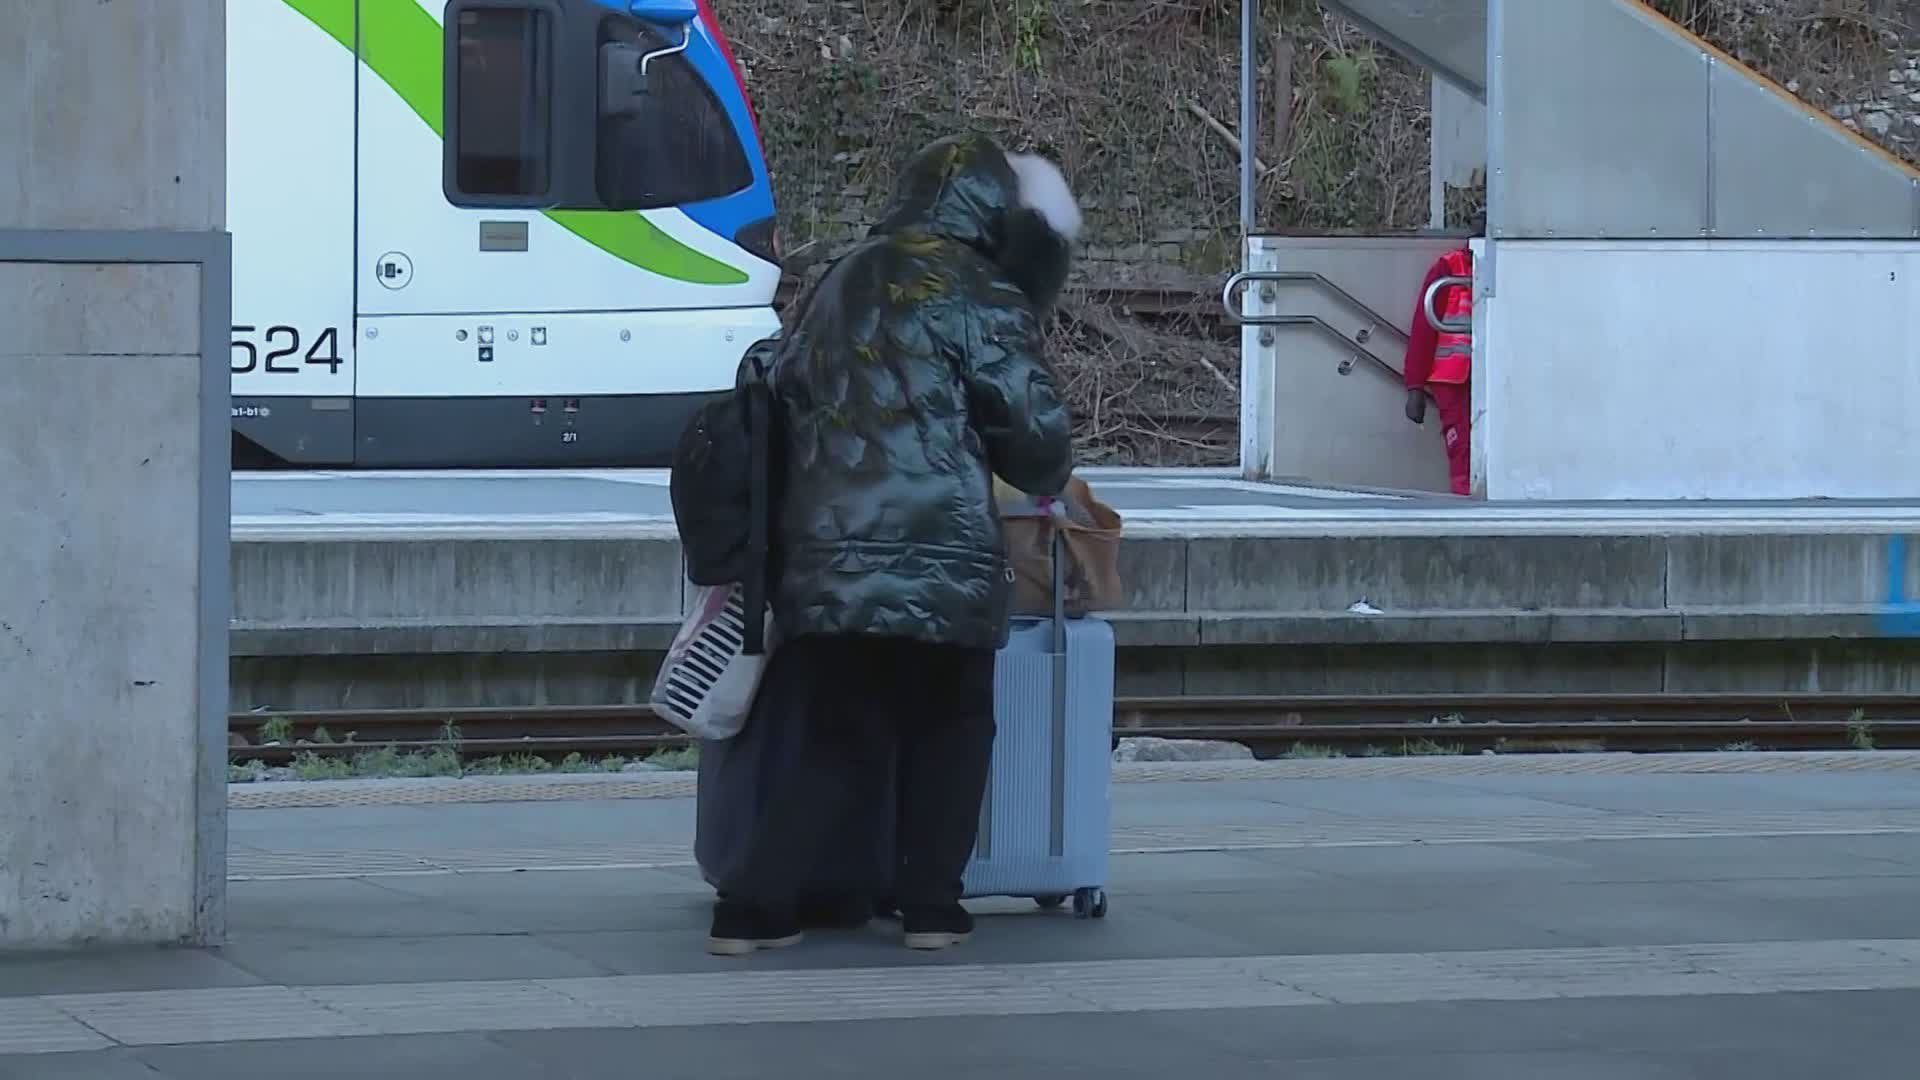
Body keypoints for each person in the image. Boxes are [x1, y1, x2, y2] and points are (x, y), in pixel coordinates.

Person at [707, 132, 1079, 956]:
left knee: (834, 731)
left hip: (825, 549)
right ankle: (930, 907)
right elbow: (1037, 442)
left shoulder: (842, 277)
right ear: (993, 213)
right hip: (942, 550)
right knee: (952, 724)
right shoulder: (979, 290)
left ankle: (752, 909)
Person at [1403, 213, 1483, 496]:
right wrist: (1415, 386)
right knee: (1461, 448)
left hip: (1484, 375)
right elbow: (1424, 328)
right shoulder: (1449, 267)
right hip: (1454, 379)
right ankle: (1466, 508)